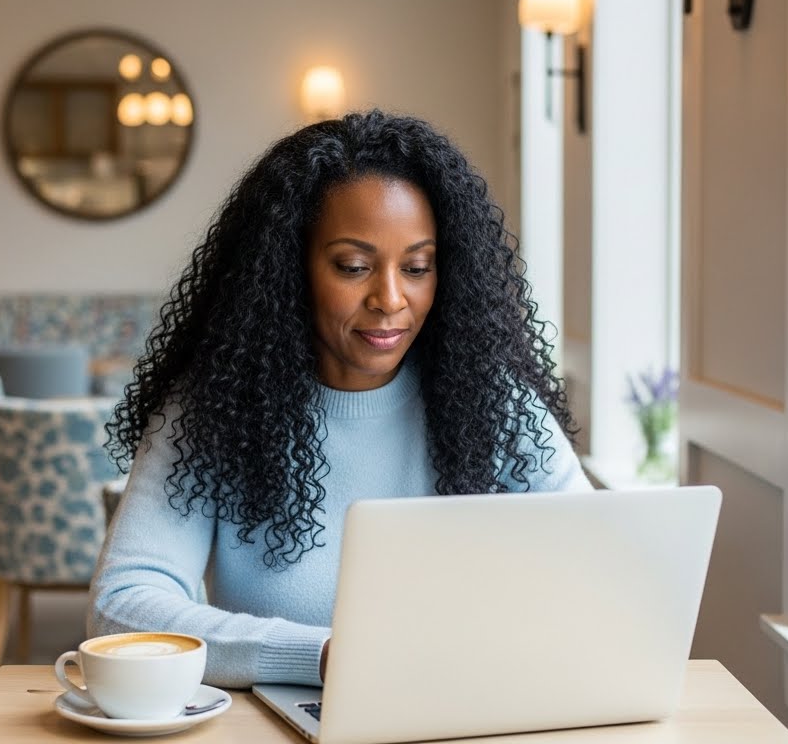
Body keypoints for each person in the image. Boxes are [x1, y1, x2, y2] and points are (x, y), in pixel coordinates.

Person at [88, 109, 590, 690]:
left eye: (418, 267)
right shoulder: (213, 410)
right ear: (286, 269)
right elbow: (122, 606)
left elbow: (593, 565)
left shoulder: (497, 406)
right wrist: (326, 656)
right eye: (354, 266)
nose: (390, 298)